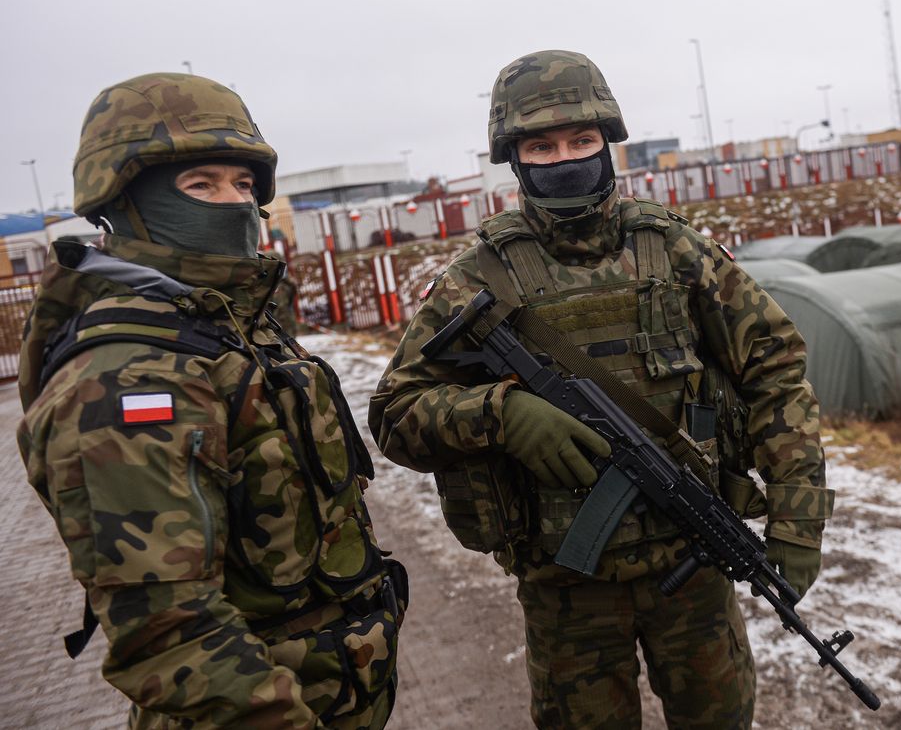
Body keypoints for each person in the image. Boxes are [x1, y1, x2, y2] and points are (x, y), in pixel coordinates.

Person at [369, 50, 832, 728]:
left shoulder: (675, 251)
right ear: (516, 157)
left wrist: (798, 519)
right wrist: (503, 413)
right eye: (543, 145)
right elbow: (393, 415)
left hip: (693, 565)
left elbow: (776, 371)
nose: (566, 157)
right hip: (565, 589)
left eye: (582, 140)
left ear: (608, 142)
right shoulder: (478, 280)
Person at [17, 72, 404, 729]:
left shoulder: (230, 326)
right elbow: (171, 634)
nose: (233, 205)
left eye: (244, 184)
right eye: (201, 185)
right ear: (123, 199)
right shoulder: (125, 380)